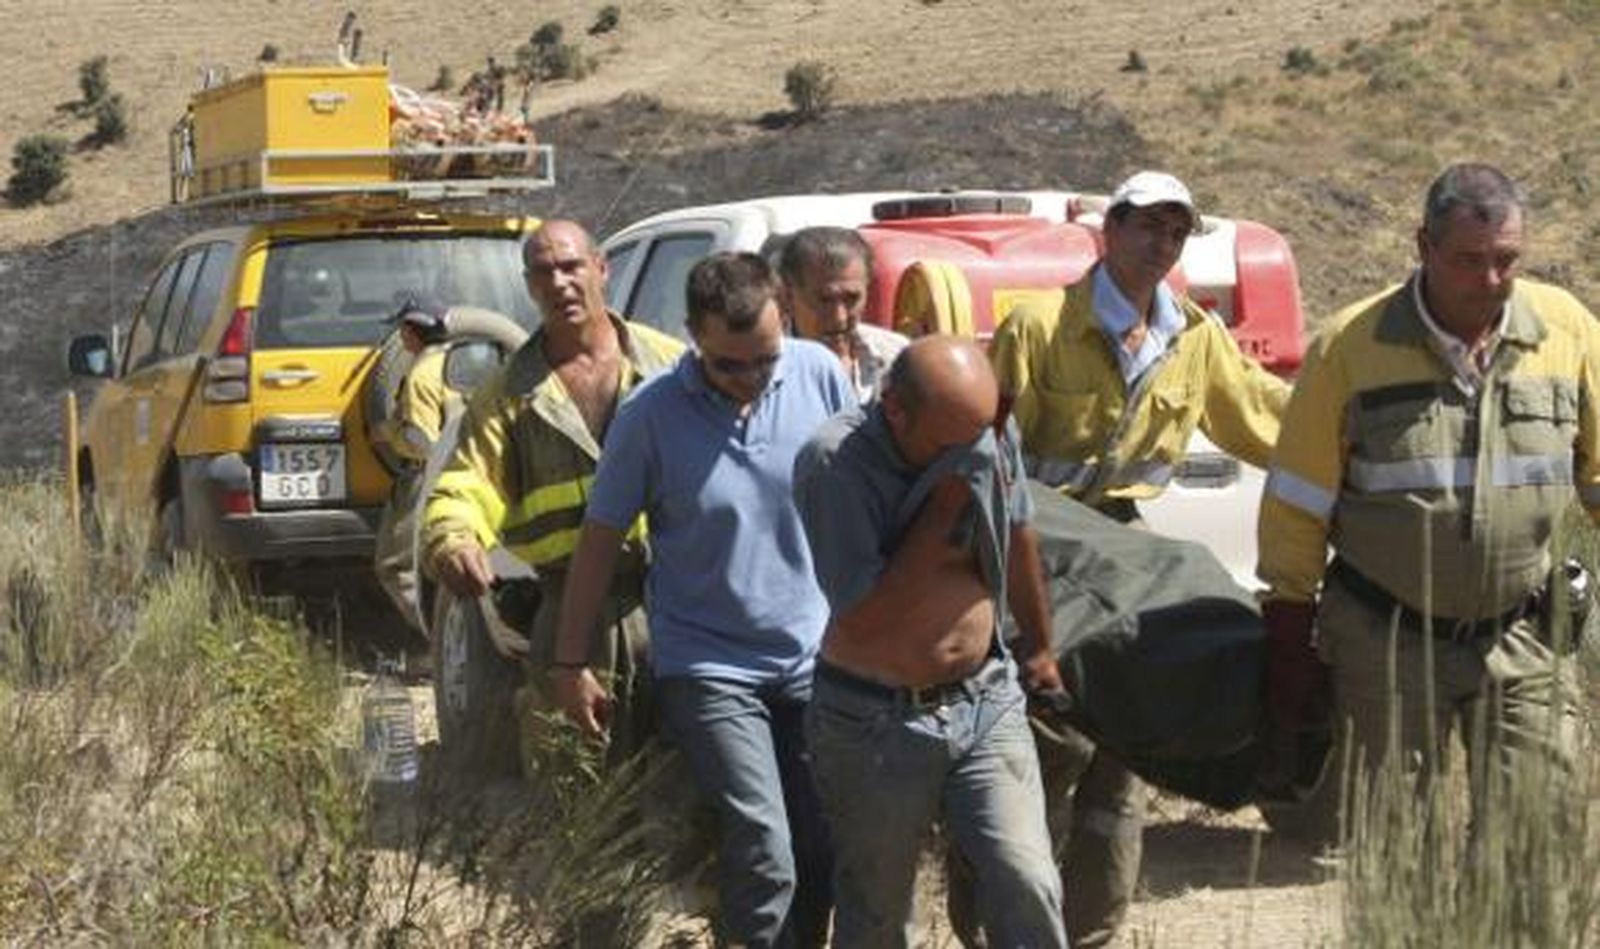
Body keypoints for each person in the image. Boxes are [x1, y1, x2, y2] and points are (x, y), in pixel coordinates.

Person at [986, 170, 1289, 946]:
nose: (1162, 244)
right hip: (1036, 560)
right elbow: (986, 461)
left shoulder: (1194, 336)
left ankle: (1091, 931)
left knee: (1123, 762)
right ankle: (1003, 925)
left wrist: (1347, 425)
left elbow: (1266, 418)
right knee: (1042, 750)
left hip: (1124, 561)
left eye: (1176, 232)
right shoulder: (1039, 327)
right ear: (1109, 229)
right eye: (1148, 226)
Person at [1258, 163, 1592, 828]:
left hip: (1522, 634)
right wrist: (1289, 645)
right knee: (1399, 849)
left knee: (1537, 837)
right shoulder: (1350, 347)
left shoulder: (1569, 330)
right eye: (1470, 261)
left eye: (1507, 260)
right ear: (1423, 246)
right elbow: (1297, 506)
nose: (1491, 281)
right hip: (1386, 640)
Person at [551, 252, 855, 948]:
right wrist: (571, 661)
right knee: (762, 844)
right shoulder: (651, 414)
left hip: (811, 658)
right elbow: (598, 541)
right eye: (729, 365)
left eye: (764, 361)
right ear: (693, 336)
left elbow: (861, 496)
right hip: (708, 664)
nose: (750, 380)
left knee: (820, 848)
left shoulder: (818, 374)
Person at [793, 336, 1069, 948]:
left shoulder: (981, 429)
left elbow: (1017, 528)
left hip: (985, 699)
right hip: (872, 721)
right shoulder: (834, 464)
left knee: (1027, 878)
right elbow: (862, 616)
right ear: (895, 410)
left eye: (981, 433)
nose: (973, 449)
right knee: (878, 913)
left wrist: (1040, 647)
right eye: (952, 444)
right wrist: (946, 502)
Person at [421, 219, 684, 766]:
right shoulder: (510, 393)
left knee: (677, 790)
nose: (560, 282)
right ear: (529, 286)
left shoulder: (670, 366)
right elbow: (470, 479)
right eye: (544, 272)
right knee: (574, 794)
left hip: (675, 607)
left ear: (601, 270)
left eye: (571, 267)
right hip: (568, 616)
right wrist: (451, 536)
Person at [374, 299, 455, 631]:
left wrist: (390, 435)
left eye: (402, 329)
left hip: (424, 476)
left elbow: (423, 442)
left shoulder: (420, 374)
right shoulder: (455, 362)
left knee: (396, 565)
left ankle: (435, 640)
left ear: (410, 331)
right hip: (462, 472)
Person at [777, 226, 908, 401]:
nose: (839, 317)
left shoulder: (896, 358)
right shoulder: (764, 372)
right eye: (824, 300)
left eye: (852, 299)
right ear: (788, 297)